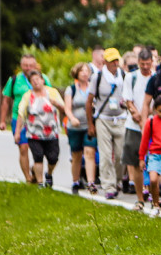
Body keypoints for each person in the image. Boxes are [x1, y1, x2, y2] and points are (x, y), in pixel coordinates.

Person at [1, 53, 51, 183]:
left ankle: (36, 170)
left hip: (39, 120)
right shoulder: (14, 80)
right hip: (19, 119)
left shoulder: (43, 78)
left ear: (35, 65)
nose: (28, 67)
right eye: (25, 65)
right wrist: (2, 121)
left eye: (31, 65)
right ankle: (28, 178)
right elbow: (6, 101)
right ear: (21, 65)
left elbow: (52, 97)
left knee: (39, 149)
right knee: (23, 148)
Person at [87, 48, 128, 200]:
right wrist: (91, 124)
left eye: (117, 60)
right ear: (105, 62)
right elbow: (89, 101)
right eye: (112, 61)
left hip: (120, 118)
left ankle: (117, 180)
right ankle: (108, 185)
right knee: (105, 155)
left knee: (120, 154)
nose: (115, 63)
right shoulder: (97, 77)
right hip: (103, 119)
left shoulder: (123, 76)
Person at [14, 70, 65, 186]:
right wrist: (17, 132)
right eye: (33, 81)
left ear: (43, 80)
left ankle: (49, 174)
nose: (36, 82)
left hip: (52, 133)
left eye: (38, 79)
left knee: (53, 158)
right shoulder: (28, 96)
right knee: (38, 157)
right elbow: (21, 114)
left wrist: (56, 104)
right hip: (34, 133)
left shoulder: (52, 92)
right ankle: (40, 183)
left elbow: (64, 108)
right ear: (30, 83)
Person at [122, 49, 155, 203]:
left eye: (148, 64)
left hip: (153, 122)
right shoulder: (131, 77)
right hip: (134, 124)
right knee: (136, 161)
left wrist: (147, 118)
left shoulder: (155, 77)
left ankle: (153, 192)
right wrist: (137, 115)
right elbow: (128, 100)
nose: (145, 67)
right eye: (142, 64)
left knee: (153, 160)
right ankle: (140, 195)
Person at [64, 62, 97, 193]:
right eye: (82, 71)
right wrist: (72, 118)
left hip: (89, 125)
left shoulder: (93, 88)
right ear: (77, 73)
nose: (84, 73)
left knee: (90, 153)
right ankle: (75, 181)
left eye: (86, 71)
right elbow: (67, 107)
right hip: (75, 127)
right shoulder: (71, 89)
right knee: (76, 155)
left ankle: (91, 182)